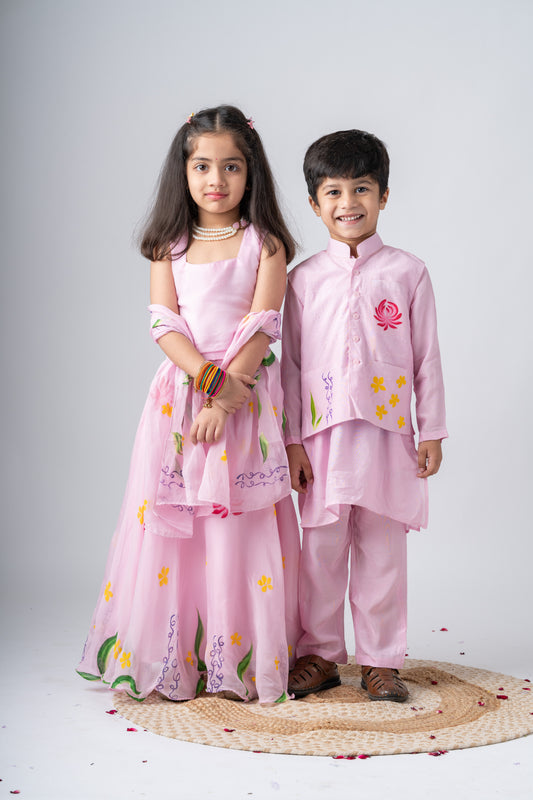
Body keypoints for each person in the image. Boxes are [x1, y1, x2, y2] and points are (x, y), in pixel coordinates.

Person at [77, 105, 301, 704]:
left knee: (234, 528)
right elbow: (164, 323)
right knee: (181, 528)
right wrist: (207, 381)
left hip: (243, 401)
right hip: (181, 399)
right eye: (202, 166)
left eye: (231, 167)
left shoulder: (266, 243)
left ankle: (236, 657)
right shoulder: (168, 245)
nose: (215, 180)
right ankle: (180, 655)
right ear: (183, 171)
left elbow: (263, 325)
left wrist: (225, 401)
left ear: (251, 172)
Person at [281, 129, 447, 702]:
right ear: (314, 203)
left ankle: (380, 661)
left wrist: (432, 430)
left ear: (383, 196)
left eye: (361, 189)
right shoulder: (302, 280)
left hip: (387, 436)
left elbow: (426, 357)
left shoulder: (407, 272)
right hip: (321, 438)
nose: (348, 202)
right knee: (319, 553)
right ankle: (319, 655)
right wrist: (292, 441)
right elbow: (290, 366)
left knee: (382, 551)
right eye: (333, 191)